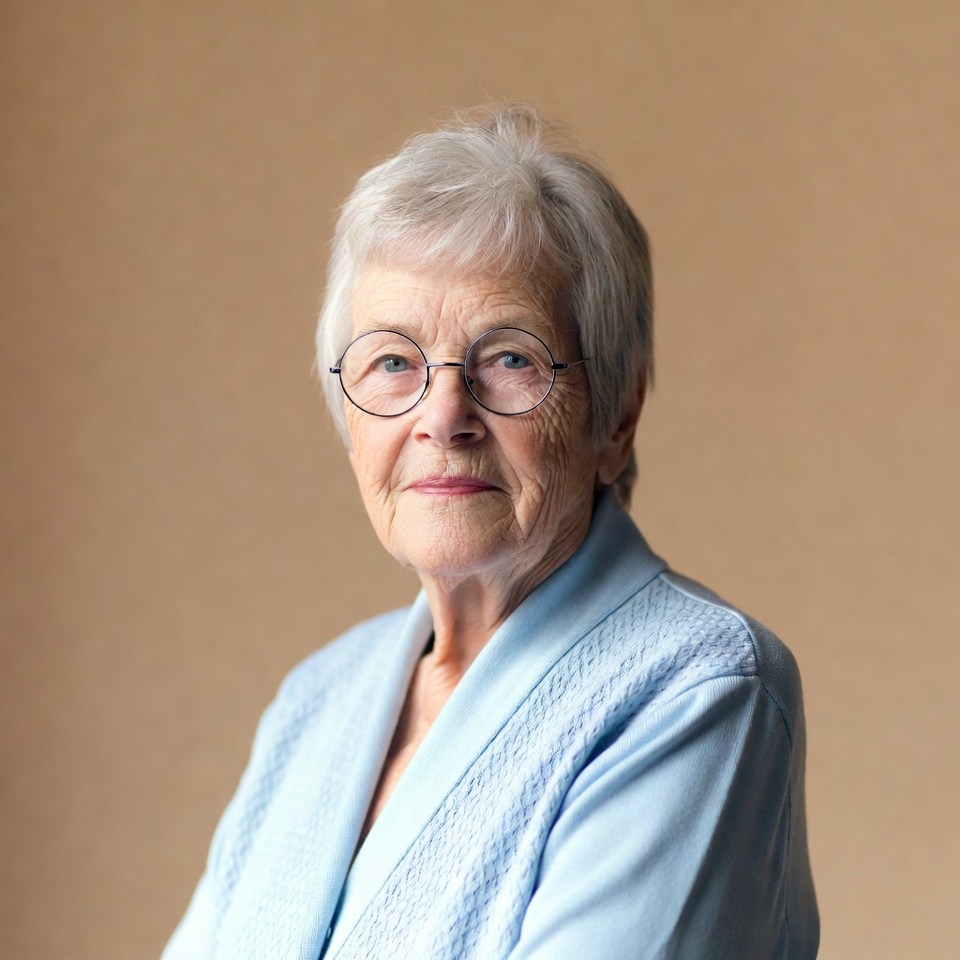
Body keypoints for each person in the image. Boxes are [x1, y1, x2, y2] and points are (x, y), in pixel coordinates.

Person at [161, 103, 819, 959]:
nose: (443, 416)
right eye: (393, 361)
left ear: (616, 417)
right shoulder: (317, 700)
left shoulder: (697, 688)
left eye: (510, 358)